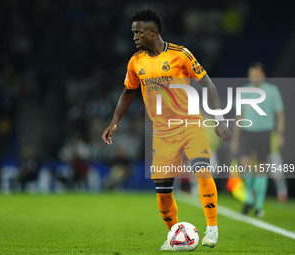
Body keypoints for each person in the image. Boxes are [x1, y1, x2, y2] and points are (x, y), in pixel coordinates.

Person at [102, 9, 231, 250]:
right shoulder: (136, 62)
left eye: (138, 32)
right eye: (133, 33)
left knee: (202, 170)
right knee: (163, 192)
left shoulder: (180, 55)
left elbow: (208, 84)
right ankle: (174, 234)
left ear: (153, 32)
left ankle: (211, 228)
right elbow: (128, 91)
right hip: (162, 133)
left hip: (191, 124)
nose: (134, 37)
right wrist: (114, 121)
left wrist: (220, 118)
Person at [230, 62, 285, 217]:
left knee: (261, 169)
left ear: (263, 75)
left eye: (256, 73)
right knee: (244, 164)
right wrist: (235, 139)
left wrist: (280, 134)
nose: (254, 76)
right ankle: (249, 197)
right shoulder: (243, 91)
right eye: (251, 73)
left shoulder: (272, 91)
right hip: (247, 132)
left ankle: (258, 205)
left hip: (264, 133)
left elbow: (280, 114)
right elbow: (238, 116)